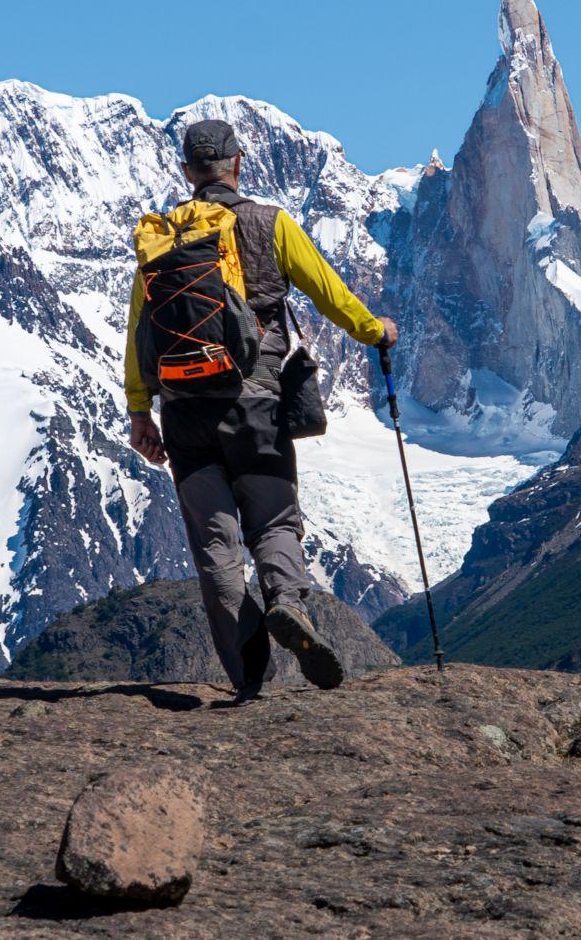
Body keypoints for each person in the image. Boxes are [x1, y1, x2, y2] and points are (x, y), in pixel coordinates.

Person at [123, 117, 398, 700]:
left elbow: (138, 332)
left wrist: (140, 412)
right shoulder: (269, 223)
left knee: (215, 547)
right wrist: (376, 332)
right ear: (238, 164)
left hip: (184, 411)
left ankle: (249, 680)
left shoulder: (161, 237)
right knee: (272, 521)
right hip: (255, 401)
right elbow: (330, 294)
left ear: (186, 173)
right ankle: (287, 603)